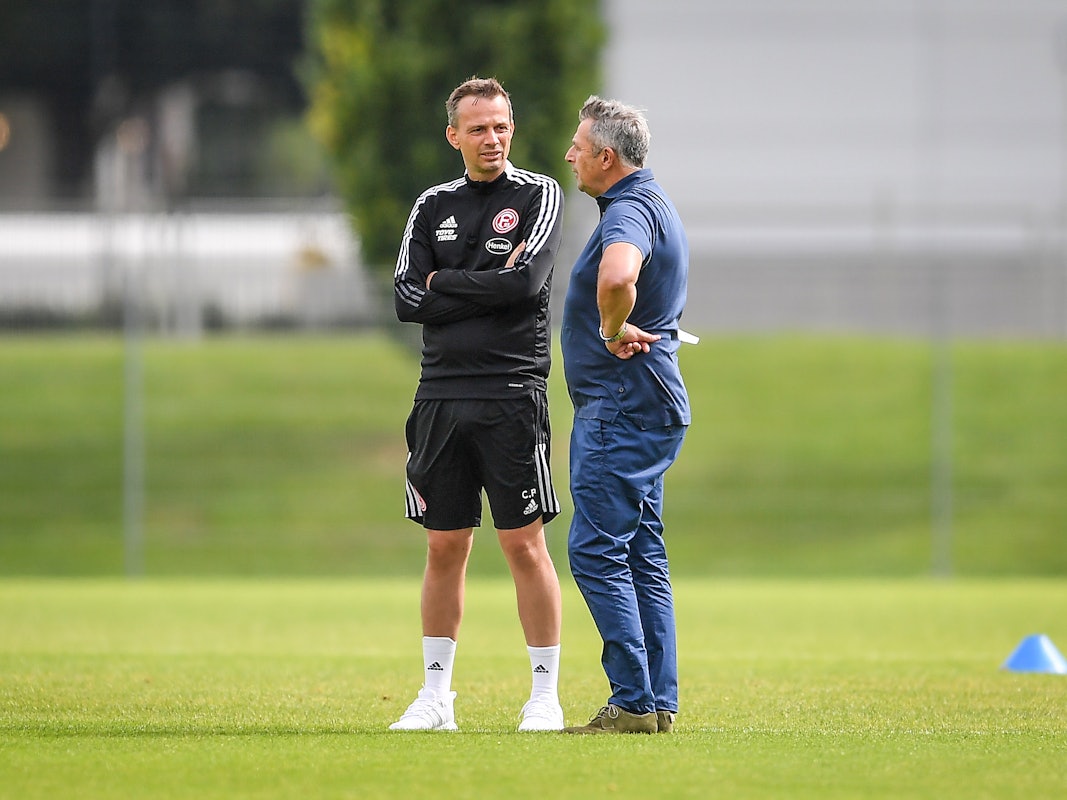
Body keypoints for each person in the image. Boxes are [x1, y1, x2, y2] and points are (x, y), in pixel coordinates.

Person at [389, 77, 566, 732]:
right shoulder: (431, 204)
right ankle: (436, 697)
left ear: (510, 128)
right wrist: (480, 286)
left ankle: (543, 696)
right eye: (478, 128)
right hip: (439, 396)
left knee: (523, 545)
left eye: (500, 125)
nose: (491, 138)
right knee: (443, 547)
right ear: (453, 136)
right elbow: (406, 298)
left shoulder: (538, 194)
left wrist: (444, 282)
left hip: (511, 394)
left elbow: (526, 284)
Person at [559, 96, 691, 734]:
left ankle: (634, 701)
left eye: (578, 147)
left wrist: (612, 327)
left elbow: (616, 278)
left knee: (593, 548)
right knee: (641, 551)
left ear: (605, 157)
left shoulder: (629, 210)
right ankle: (656, 701)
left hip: (620, 401)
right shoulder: (653, 200)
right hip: (649, 399)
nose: (570, 156)